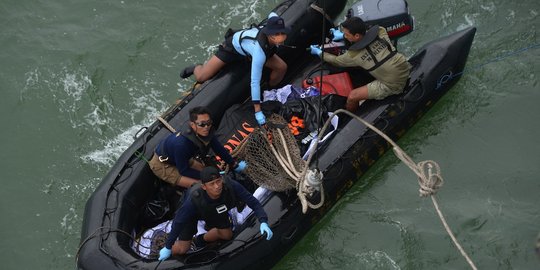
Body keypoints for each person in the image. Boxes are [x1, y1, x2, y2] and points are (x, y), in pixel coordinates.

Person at [180, 13, 291, 126]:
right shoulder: (259, 53)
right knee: (202, 76)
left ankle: (270, 90)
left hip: (250, 51)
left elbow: (272, 15)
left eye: (283, 33)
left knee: (281, 67)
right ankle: (196, 67)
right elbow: (254, 82)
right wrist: (258, 111)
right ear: (269, 34)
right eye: (277, 33)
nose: (281, 36)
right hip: (232, 49)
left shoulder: (272, 28)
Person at [158, 166, 273, 260]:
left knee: (227, 235)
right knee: (183, 249)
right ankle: (163, 250)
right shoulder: (193, 200)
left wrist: (263, 221)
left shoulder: (230, 185)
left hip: (216, 209)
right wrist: (168, 246)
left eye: (218, 181)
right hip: (194, 214)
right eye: (212, 184)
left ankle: (200, 240)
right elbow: (178, 222)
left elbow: (253, 202)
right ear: (204, 186)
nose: (217, 186)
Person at [310, 17, 411, 112]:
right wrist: (343, 36)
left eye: (346, 35)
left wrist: (319, 52)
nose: (345, 36)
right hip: (404, 66)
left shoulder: (354, 55)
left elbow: (336, 61)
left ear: (357, 36)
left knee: (352, 96)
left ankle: (350, 117)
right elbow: (367, 37)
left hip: (393, 84)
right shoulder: (381, 31)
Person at [149, 106, 246, 189]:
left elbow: (218, 148)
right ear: (192, 125)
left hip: (181, 158)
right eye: (202, 124)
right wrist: (211, 177)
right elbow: (183, 170)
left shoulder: (207, 131)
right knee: (205, 185)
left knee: (205, 170)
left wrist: (233, 164)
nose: (206, 127)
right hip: (163, 165)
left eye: (209, 123)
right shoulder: (182, 145)